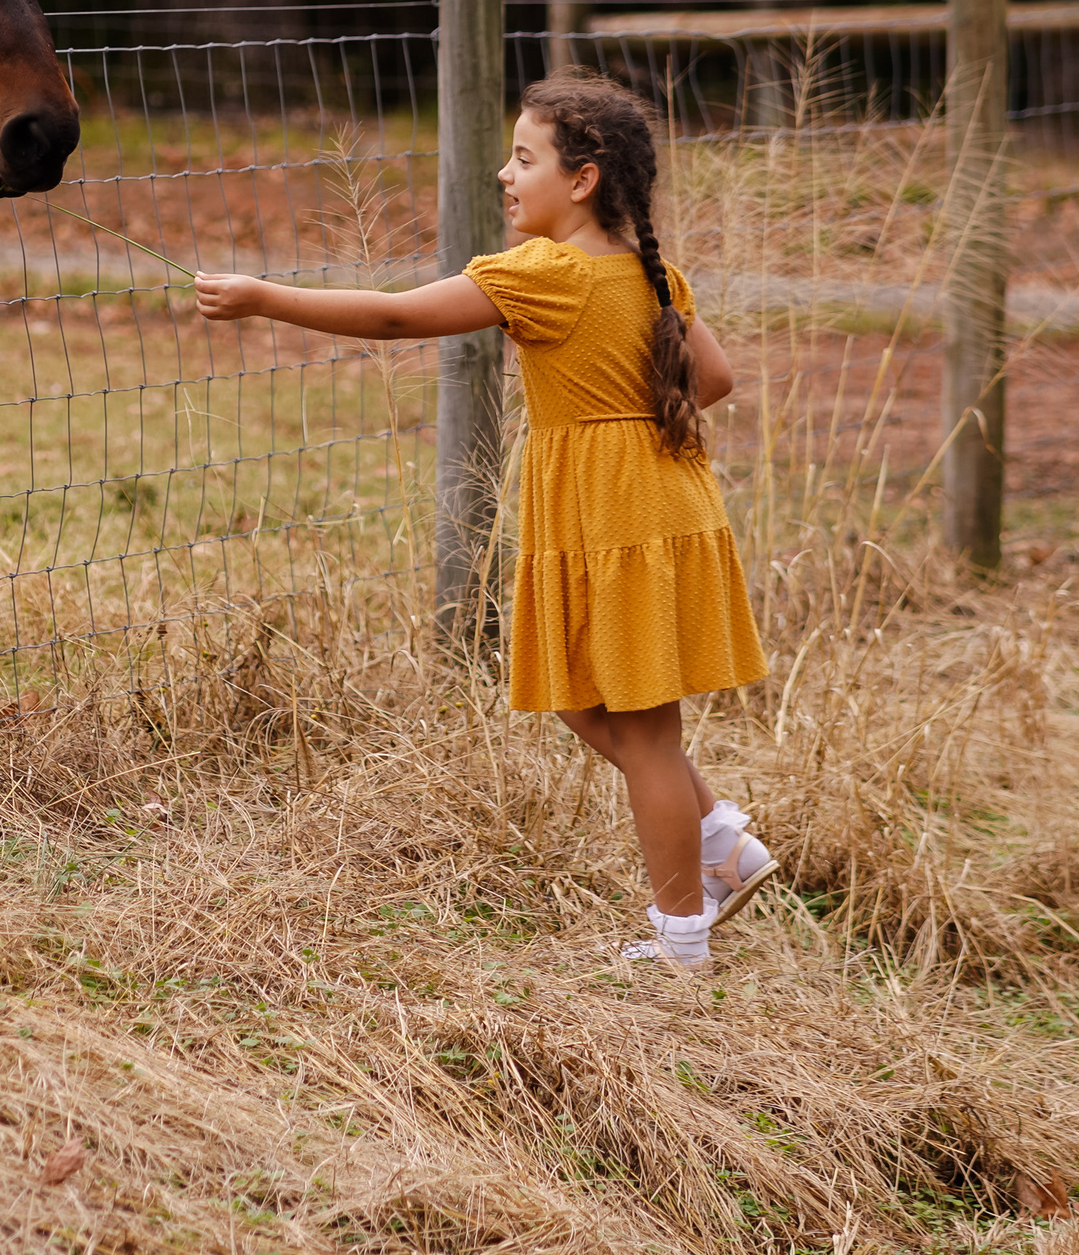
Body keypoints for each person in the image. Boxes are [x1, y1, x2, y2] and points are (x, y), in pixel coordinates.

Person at [194, 67, 773, 969]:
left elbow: (394, 319)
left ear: (581, 180)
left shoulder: (546, 273)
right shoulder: (649, 270)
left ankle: (682, 939)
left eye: (523, 156)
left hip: (618, 509)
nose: (505, 174)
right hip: (651, 498)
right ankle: (722, 839)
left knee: (649, 733)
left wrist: (264, 297)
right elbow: (715, 381)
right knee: (583, 699)